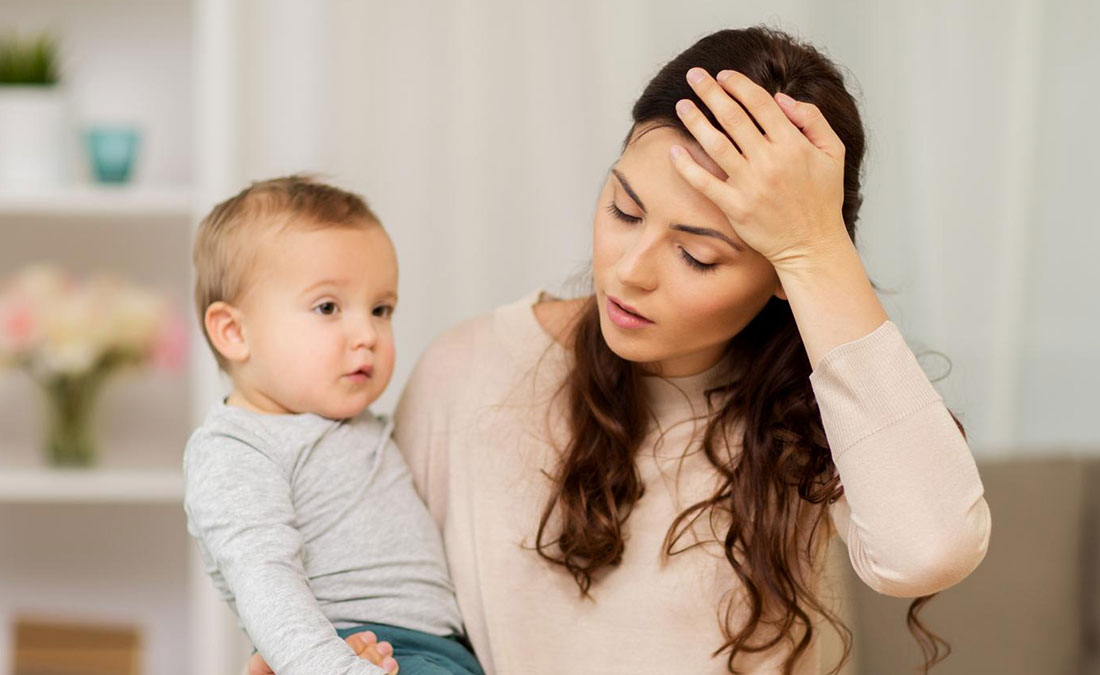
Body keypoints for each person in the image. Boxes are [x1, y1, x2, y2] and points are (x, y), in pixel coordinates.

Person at [251, 25, 992, 675]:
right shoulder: (468, 372)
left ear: (780, 276)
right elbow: (397, 618)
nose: (629, 270)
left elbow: (929, 549)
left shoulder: (822, 410)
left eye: (698, 256)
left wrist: (817, 247)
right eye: (624, 209)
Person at [186, 176, 485, 675]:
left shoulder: (367, 426)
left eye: (381, 309)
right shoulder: (236, 448)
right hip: (352, 650)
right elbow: (265, 580)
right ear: (235, 332)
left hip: (445, 654)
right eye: (328, 307)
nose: (366, 333)